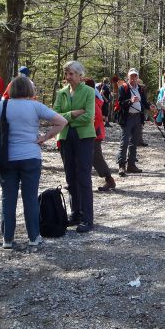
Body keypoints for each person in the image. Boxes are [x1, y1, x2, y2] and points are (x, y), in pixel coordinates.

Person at [0, 76, 67, 249]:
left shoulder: (2, 105)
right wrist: (45, 137)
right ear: (29, 90)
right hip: (31, 156)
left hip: (7, 158)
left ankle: (7, 239)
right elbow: (62, 121)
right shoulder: (36, 106)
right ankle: (33, 236)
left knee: (8, 198)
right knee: (30, 198)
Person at [54, 61, 97, 233]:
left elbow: (88, 116)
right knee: (70, 177)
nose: (68, 77)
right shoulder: (62, 93)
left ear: (80, 75)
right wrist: (72, 114)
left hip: (84, 137)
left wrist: (66, 119)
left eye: (71, 73)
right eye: (66, 73)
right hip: (65, 137)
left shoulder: (88, 91)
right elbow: (55, 115)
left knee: (83, 177)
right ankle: (75, 213)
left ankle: (87, 218)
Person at [115, 68, 155, 176]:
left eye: (135, 76)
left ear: (137, 77)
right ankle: (121, 165)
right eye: (131, 76)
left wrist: (149, 106)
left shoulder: (141, 89)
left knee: (134, 142)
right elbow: (120, 103)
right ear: (128, 77)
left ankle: (131, 165)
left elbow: (144, 102)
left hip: (138, 117)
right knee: (124, 142)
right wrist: (130, 101)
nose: (133, 78)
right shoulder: (123, 88)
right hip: (127, 117)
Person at [84, 77, 116, 192]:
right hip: (90, 132)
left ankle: (109, 180)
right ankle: (78, 181)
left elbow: (96, 118)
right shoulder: (91, 98)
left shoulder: (92, 99)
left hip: (94, 133)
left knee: (96, 157)